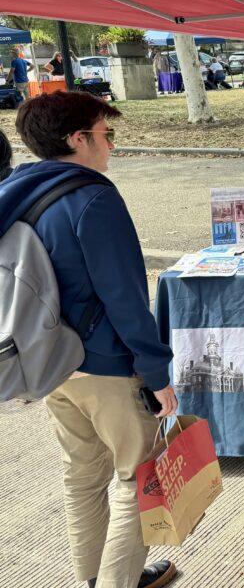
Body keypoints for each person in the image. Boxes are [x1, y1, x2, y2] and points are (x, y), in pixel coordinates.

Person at [0, 92, 178, 588]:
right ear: (78, 139)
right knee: (135, 476)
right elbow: (124, 295)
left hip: (44, 360)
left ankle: (94, 579)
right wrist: (157, 372)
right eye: (107, 134)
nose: (111, 147)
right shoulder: (94, 198)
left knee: (81, 475)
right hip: (104, 363)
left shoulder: (13, 193)